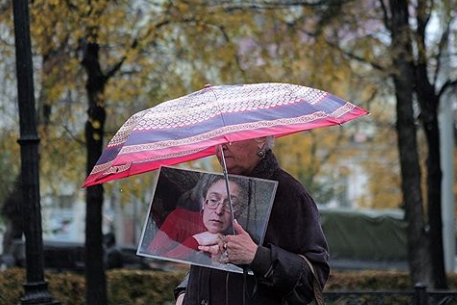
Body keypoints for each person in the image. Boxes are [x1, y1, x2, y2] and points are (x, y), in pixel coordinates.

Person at [174, 136, 330, 305]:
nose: (221, 146)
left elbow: (313, 279)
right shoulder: (218, 187)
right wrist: (184, 292)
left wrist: (257, 256)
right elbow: (207, 261)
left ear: (261, 139)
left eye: (230, 137)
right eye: (218, 138)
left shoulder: (290, 194)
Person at [146, 175, 249, 262]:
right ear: (204, 202)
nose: (218, 211)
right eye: (213, 200)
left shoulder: (243, 236)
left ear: (239, 212)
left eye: (230, 204)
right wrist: (198, 240)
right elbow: (153, 261)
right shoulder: (180, 219)